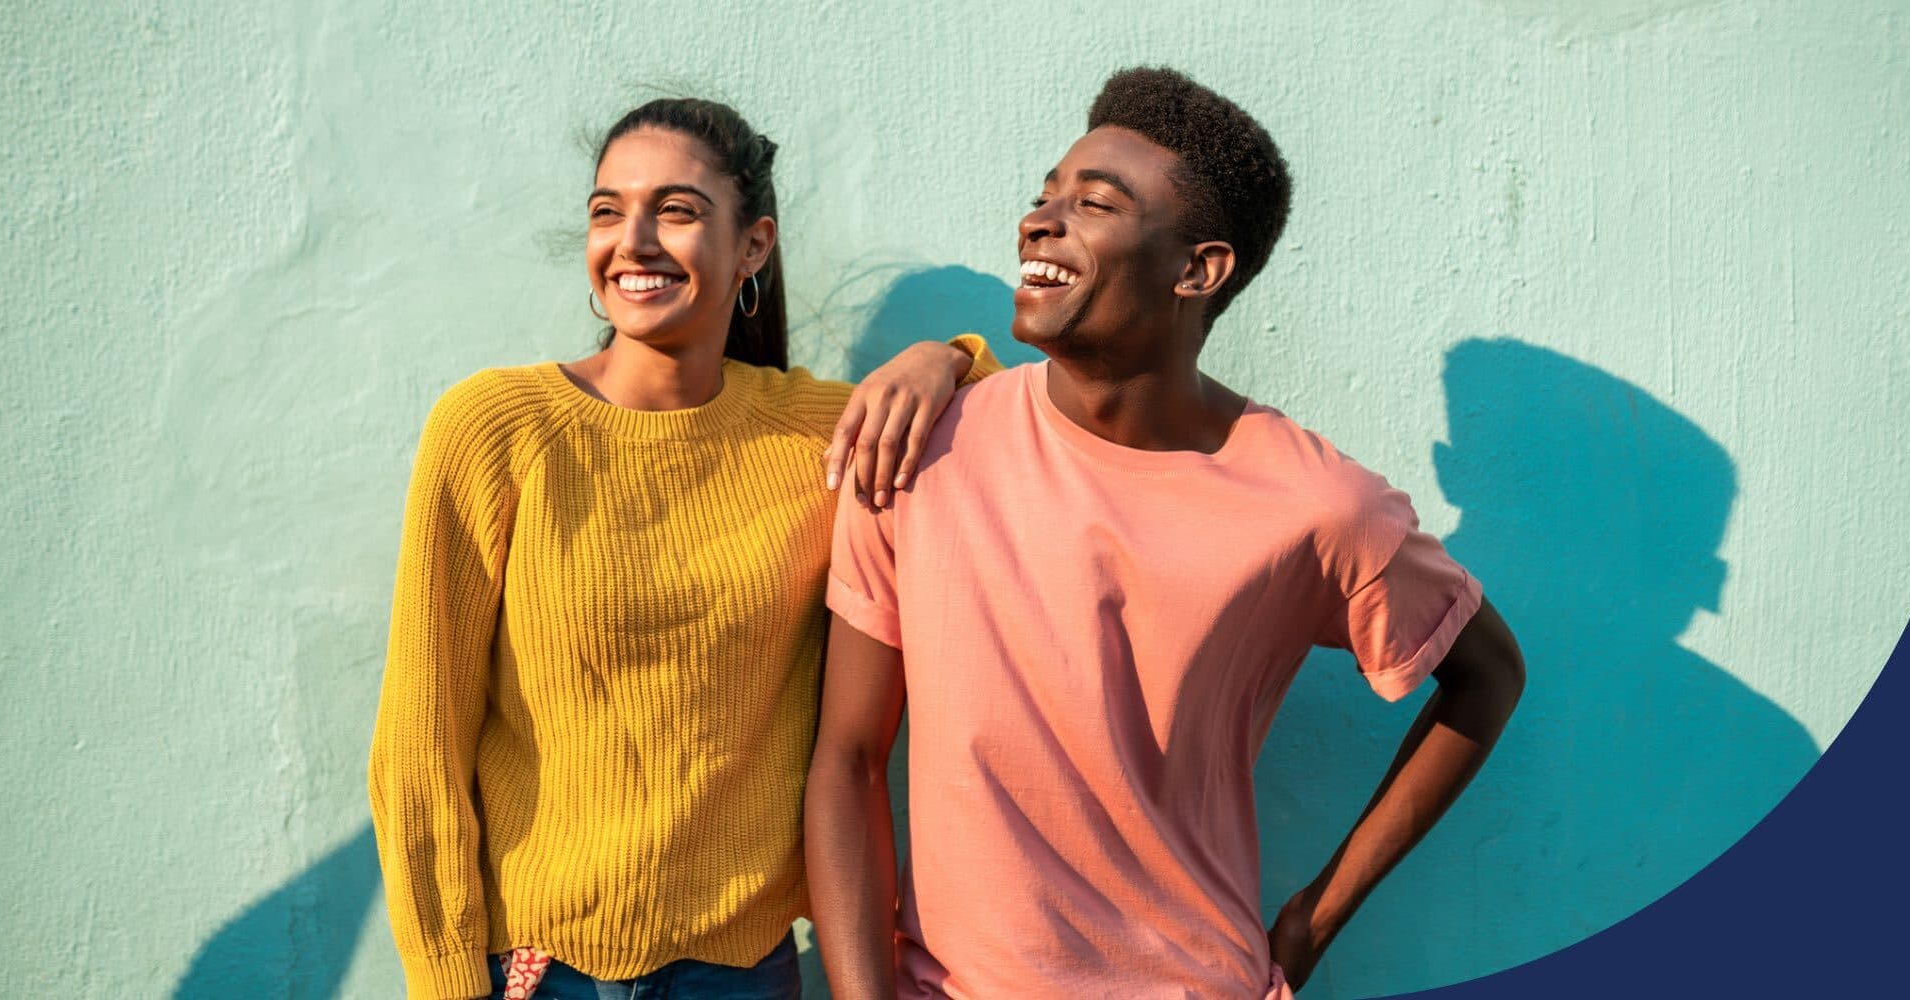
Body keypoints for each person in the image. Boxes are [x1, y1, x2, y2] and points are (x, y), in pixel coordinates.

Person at [804, 67, 1526, 1000]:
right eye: (1044, 198)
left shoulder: (1318, 506)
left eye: (1093, 205)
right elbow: (847, 760)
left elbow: (1488, 674)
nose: (1041, 222)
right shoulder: (916, 451)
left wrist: (1313, 920)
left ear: (1199, 269)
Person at [368, 97, 999, 1000]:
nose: (633, 242)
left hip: (745, 973)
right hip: (542, 975)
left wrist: (949, 358)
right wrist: (446, 983)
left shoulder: (816, 434)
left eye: (675, 210)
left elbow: (1022, 440)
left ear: (753, 246)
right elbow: (417, 745)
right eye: (606, 210)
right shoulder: (497, 430)